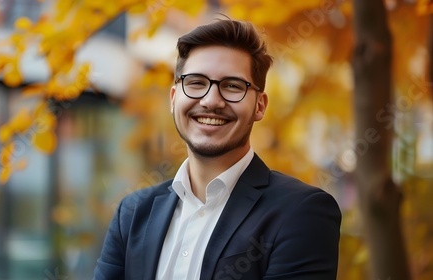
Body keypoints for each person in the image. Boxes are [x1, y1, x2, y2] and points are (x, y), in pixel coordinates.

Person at [93, 18, 341, 280]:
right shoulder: (132, 215)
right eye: (196, 82)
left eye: (232, 86)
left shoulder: (301, 213)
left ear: (260, 106)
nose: (211, 101)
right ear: (174, 97)